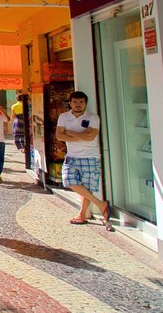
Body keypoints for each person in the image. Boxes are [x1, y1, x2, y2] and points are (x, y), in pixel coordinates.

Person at [56, 91, 113, 231]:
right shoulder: (64, 117)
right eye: (75, 102)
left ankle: (82, 214)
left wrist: (69, 132)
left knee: (86, 187)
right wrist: (82, 135)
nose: (78, 105)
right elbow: (59, 136)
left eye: (81, 102)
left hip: (90, 156)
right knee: (68, 180)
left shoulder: (93, 117)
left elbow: (90, 137)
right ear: (70, 103)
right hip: (72, 156)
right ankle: (100, 204)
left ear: (85, 103)